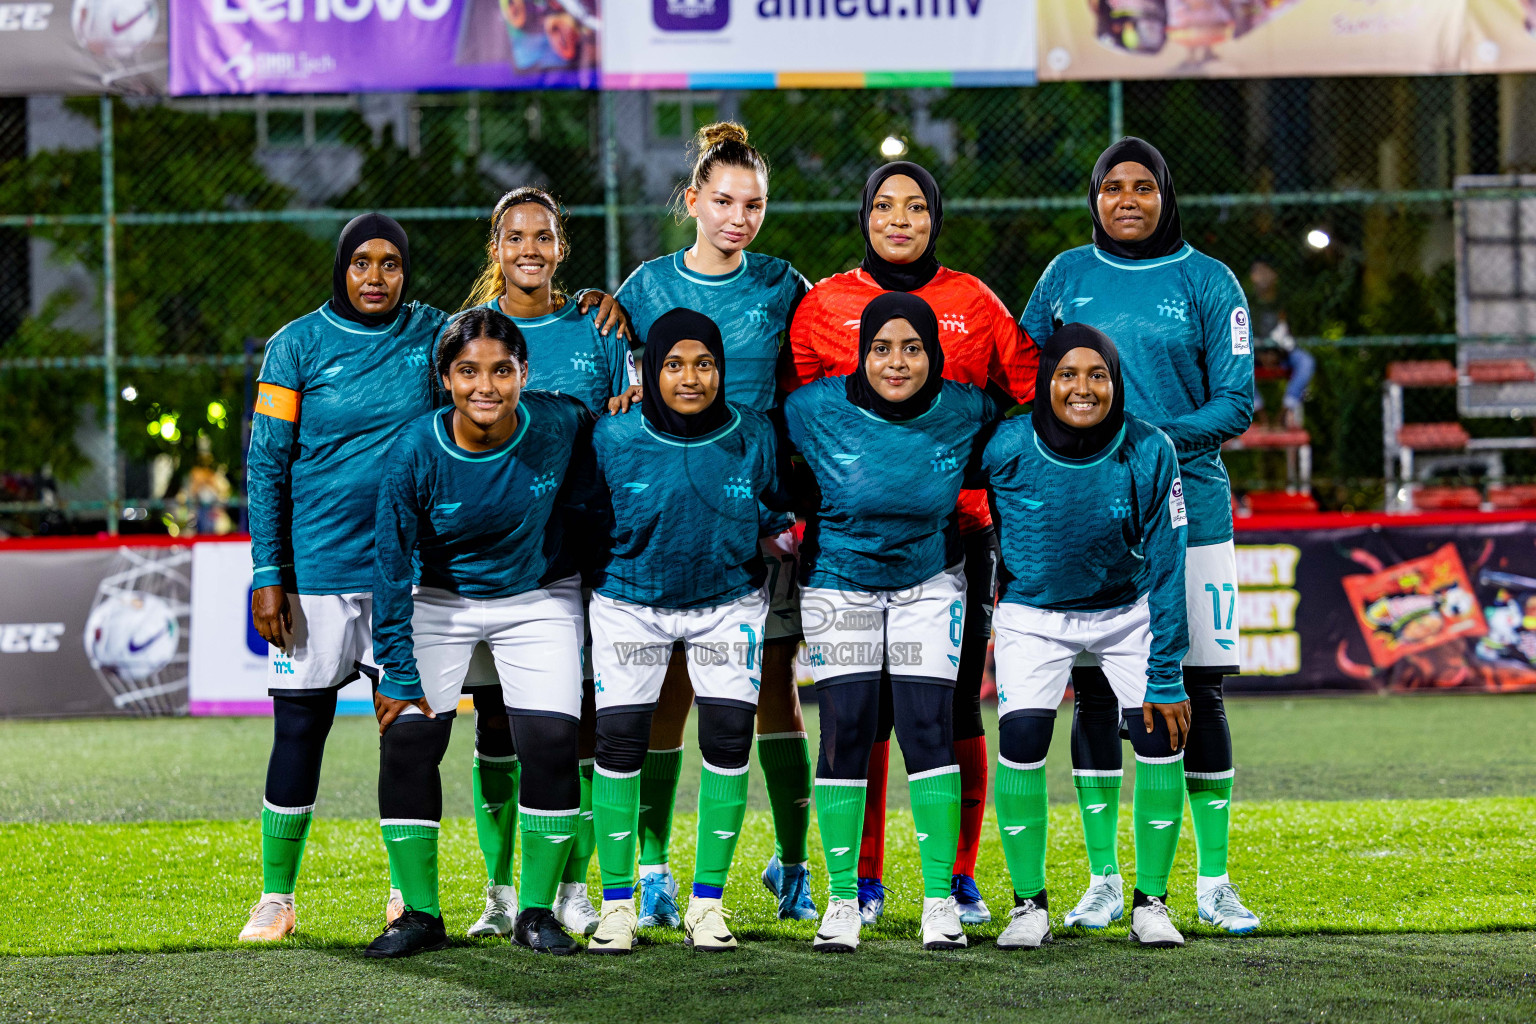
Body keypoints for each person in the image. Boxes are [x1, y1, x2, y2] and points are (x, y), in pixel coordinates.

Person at [785, 160, 1038, 926]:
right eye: (885, 205)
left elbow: (1026, 397)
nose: (900, 219)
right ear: (864, 214)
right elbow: (793, 421)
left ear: (937, 216)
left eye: (917, 206)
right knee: (859, 716)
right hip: (850, 544)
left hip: (956, 538)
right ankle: (860, 881)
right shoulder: (822, 304)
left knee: (953, 711)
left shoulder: (974, 301)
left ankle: (954, 876)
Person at [1019, 136, 1260, 934]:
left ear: (1165, 194)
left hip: (1196, 514)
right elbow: (1029, 379)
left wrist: (1144, 437)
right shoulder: (1063, 276)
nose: (1126, 200)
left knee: (1199, 691)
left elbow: (1237, 404)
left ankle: (1214, 882)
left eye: (1142, 187)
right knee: (1092, 690)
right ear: (1094, 197)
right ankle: (1103, 880)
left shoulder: (1208, 281)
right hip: (1085, 517)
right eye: (1111, 187)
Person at [613, 122, 819, 925]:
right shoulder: (642, 290)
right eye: (724, 201)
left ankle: (794, 866)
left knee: (775, 686)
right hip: (669, 514)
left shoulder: (782, 284)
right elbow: (616, 390)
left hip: (762, 516)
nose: (739, 217)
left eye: (755, 204)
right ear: (692, 200)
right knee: (667, 683)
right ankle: (655, 868)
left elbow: (808, 384)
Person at [241, 214, 449, 943]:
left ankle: (407, 893)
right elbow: (266, 463)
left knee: (411, 736)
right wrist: (270, 572)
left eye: (391, 263)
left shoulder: (435, 333)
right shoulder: (295, 345)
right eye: (362, 262)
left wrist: (587, 304)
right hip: (318, 574)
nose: (375, 277)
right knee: (299, 728)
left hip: (409, 574)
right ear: (341, 267)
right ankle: (276, 898)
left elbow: (510, 332)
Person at [364, 307, 593, 958]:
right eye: (467, 371)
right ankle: (419, 916)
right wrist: (398, 671)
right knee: (407, 738)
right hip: (441, 597)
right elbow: (388, 564)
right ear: (445, 378)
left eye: (501, 369)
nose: (485, 385)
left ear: (525, 373)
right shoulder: (415, 448)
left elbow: (617, 442)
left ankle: (537, 914)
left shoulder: (563, 421)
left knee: (549, 742)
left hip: (538, 595)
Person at [784, 293, 999, 953]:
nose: (896, 362)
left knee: (929, 727)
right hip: (840, 586)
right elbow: (751, 446)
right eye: (881, 348)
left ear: (934, 353)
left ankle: (941, 900)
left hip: (930, 585)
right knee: (845, 731)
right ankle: (844, 900)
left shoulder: (968, 410)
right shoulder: (811, 408)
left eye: (912, 348)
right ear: (861, 352)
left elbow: (1023, 442)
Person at [453, 186, 639, 942]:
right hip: (495, 558)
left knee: (575, 726)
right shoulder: (464, 335)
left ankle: (571, 888)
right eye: (514, 237)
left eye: (544, 236)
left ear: (562, 247)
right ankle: (499, 893)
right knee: (495, 726)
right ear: (495, 249)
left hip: (582, 551)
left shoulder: (598, 328)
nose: (529, 248)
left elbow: (628, 413)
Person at [977, 323, 1192, 950]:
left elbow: (1170, 561)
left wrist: (1168, 668)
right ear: (1045, 381)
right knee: (1021, 739)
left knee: (1157, 732)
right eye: (1067, 374)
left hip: (1126, 612)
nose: (1082, 387)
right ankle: (1028, 907)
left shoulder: (1150, 448)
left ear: (1116, 381)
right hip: (1033, 615)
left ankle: (1151, 903)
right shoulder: (1007, 443)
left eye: (1097, 374)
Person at [584, 309, 785, 955]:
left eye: (704, 363)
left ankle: (707, 904)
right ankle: (619, 906)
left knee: (728, 740)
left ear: (722, 370)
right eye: (674, 364)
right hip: (629, 603)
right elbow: (586, 515)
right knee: (619, 745)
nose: (690, 376)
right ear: (648, 370)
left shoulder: (754, 433)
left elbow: (775, 509)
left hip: (728, 603)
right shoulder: (612, 435)